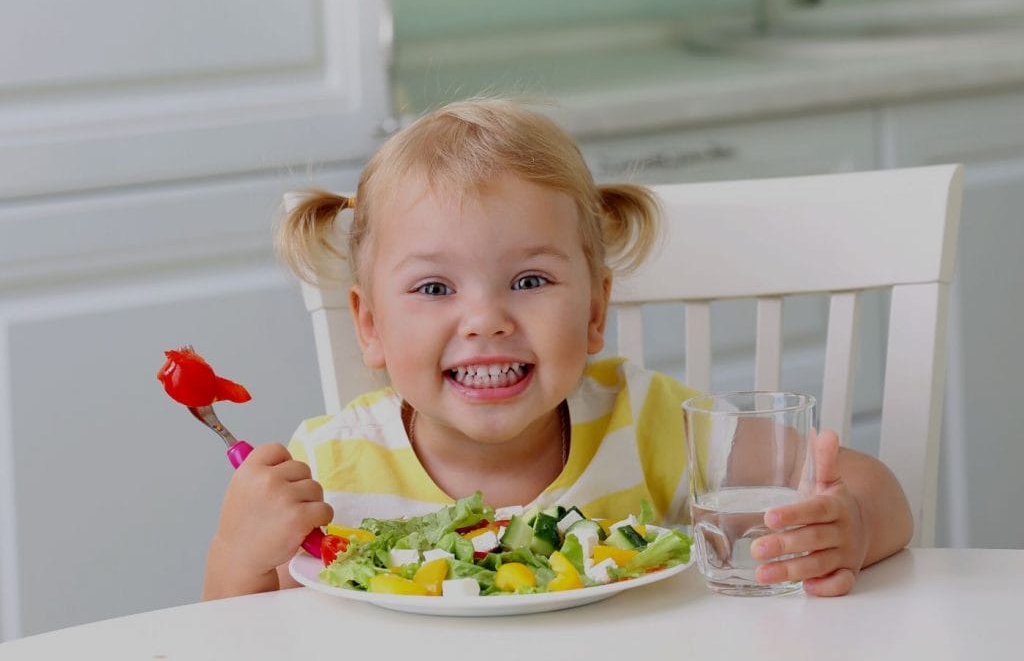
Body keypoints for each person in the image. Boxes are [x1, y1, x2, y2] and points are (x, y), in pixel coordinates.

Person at [202, 99, 913, 601]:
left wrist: (845, 526)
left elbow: (880, 491)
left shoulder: (649, 421)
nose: (486, 319)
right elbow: (239, 641)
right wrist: (238, 551)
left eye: (530, 279)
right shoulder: (329, 469)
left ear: (596, 308)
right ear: (370, 326)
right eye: (434, 287)